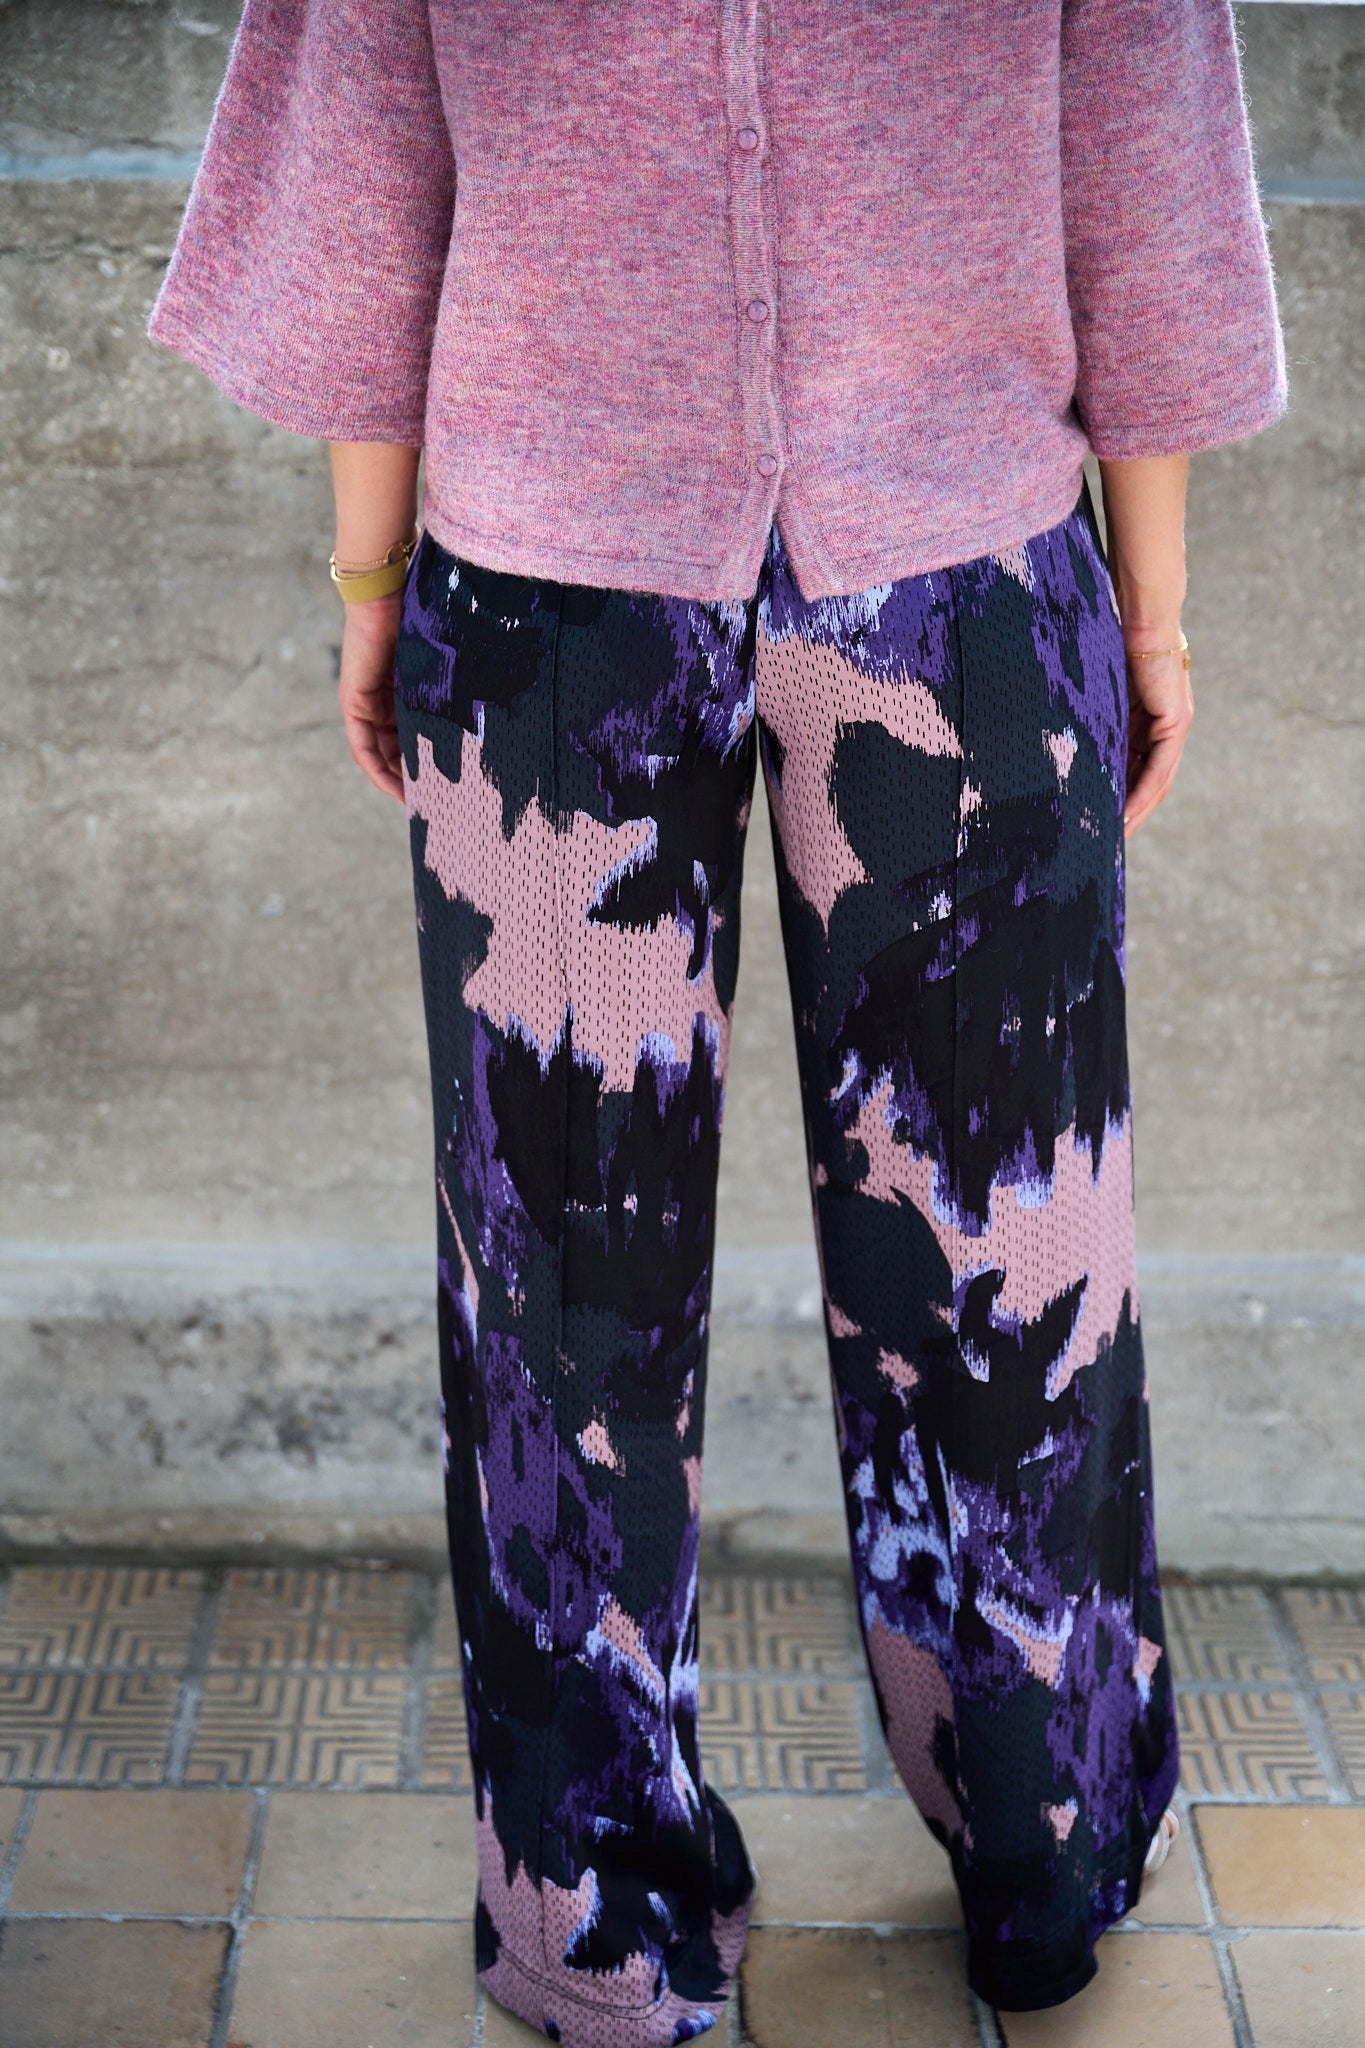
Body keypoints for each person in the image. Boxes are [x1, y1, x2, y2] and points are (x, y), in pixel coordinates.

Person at [147, 2, 1285, 2036]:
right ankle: (1045, 1854)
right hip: (959, 590)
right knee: (1005, 1260)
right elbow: (1149, 173)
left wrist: (365, 579)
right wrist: (1153, 607)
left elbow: (362, 180)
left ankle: (594, 1923)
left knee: (558, 1301)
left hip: (553, 600)